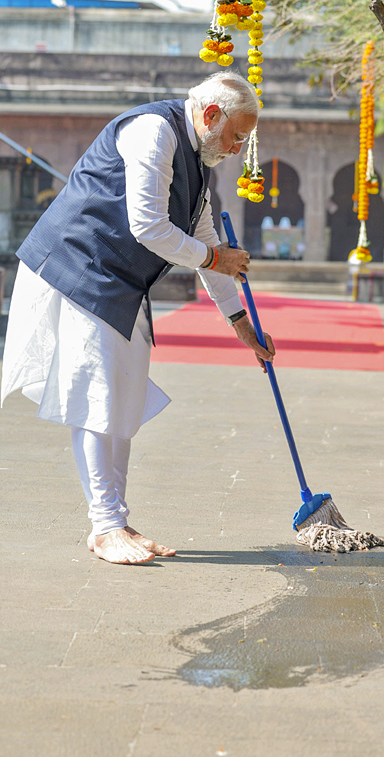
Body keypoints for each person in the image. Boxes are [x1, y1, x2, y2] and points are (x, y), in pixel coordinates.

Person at [0, 71, 275, 565]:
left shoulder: (199, 161)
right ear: (211, 116)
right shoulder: (154, 131)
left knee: (122, 397)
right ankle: (104, 526)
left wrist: (240, 323)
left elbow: (207, 243)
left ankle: (116, 521)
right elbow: (149, 225)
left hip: (120, 281)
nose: (238, 149)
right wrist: (216, 260)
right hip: (78, 266)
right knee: (97, 394)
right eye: (237, 135)